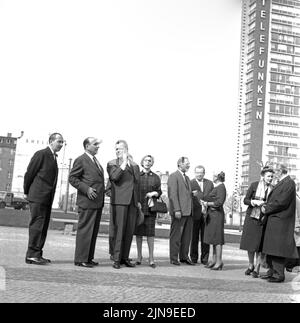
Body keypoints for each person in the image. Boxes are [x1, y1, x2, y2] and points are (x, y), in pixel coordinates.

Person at [24, 133, 64, 265]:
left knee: (43, 226)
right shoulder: (41, 154)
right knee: (37, 225)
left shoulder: (53, 157)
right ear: (51, 141)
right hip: (37, 196)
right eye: (59, 141)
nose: (61, 144)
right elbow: (29, 173)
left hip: (46, 198)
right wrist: (26, 191)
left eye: (62, 142)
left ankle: (37, 253)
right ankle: (31, 255)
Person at [69, 137, 105, 268]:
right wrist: (87, 189)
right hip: (87, 201)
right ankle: (80, 259)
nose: (97, 147)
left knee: (93, 231)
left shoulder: (96, 161)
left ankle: (88, 258)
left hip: (97, 202)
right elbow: (72, 178)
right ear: (87, 146)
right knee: (85, 230)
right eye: (95, 144)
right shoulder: (81, 160)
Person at [260, 164, 298, 283]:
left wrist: (267, 208)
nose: (274, 174)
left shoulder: (289, 183)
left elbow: (281, 202)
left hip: (281, 221)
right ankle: (272, 271)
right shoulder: (283, 182)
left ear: (280, 171)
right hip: (276, 220)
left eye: (275, 171)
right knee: (271, 248)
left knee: (277, 249)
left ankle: (278, 274)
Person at [107, 140, 141, 269]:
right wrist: (124, 163)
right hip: (119, 201)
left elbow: (137, 184)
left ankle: (125, 257)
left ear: (126, 149)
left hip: (132, 202)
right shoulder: (112, 164)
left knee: (129, 231)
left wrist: (138, 202)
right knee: (119, 231)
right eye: (116, 149)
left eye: (120, 149)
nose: (117, 151)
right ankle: (116, 258)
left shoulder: (135, 166)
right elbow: (114, 177)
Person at [240, 166, 274, 278]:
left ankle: (257, 268)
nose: (270, 178)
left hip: (264, 219)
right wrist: (253, 202)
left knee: (260, 246)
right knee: (250, 244)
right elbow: (245, 200)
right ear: (263, 176)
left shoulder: (273, 189)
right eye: (268, 176)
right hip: (252, 218)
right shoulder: (254, 185)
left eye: (272, 176)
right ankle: (251, 265)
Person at [134, 155, 162, 268]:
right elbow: (133, 191)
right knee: (139, 234)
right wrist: (136, 203)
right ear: (142, 162)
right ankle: (139, 257)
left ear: (152, 163)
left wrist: (154, 193)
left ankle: (151, 258)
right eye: (145, 160)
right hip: (139, 209)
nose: (147, 162)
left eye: (150, 161)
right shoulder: (137, 176)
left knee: (150, 234)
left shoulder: (155, 177)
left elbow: (159, 191)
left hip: (151, 210)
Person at [168, 157, 194, 266]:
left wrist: (192, 194)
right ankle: (174, 258)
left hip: (188, 212)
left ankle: (184, 257)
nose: (188, 165)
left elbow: (184, 194)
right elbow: (173, 194)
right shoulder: (173, 176)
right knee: (176, 236)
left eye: (189, 163)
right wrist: (177, 209)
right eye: (186, 163)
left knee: (186, 237)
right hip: (179, 212)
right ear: (179, 164)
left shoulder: (187, 178)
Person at [201, 171, 227, 270]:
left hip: (216, 215)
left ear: (217, 177)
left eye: (214, 175)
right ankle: (214, 260)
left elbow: (219, 202)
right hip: (212, 215)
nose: (212, 177)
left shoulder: (221, 187)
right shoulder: (217, 187)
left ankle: (219, 261)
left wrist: (207, 203)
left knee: (217, 239)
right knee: (213, 238)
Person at [190, 165, 214, 265]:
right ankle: (193, 258)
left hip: (206, 214)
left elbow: (213, 196)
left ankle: (204, 258)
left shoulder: (209, 183)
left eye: (201, 172)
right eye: (197, 172)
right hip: (194, 214)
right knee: (194, 237)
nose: (199, 174)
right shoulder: (190, 183)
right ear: (194, 173)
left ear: (204, 173)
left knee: (205, 237)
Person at [286, 191, 300, 272]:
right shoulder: (295, 196)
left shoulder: (294, 197)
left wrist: (297, 225)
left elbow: (298, 212)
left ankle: (291, 265)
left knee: (295, 245)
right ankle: (292, 264)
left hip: (295, 225)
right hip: (295, 224)